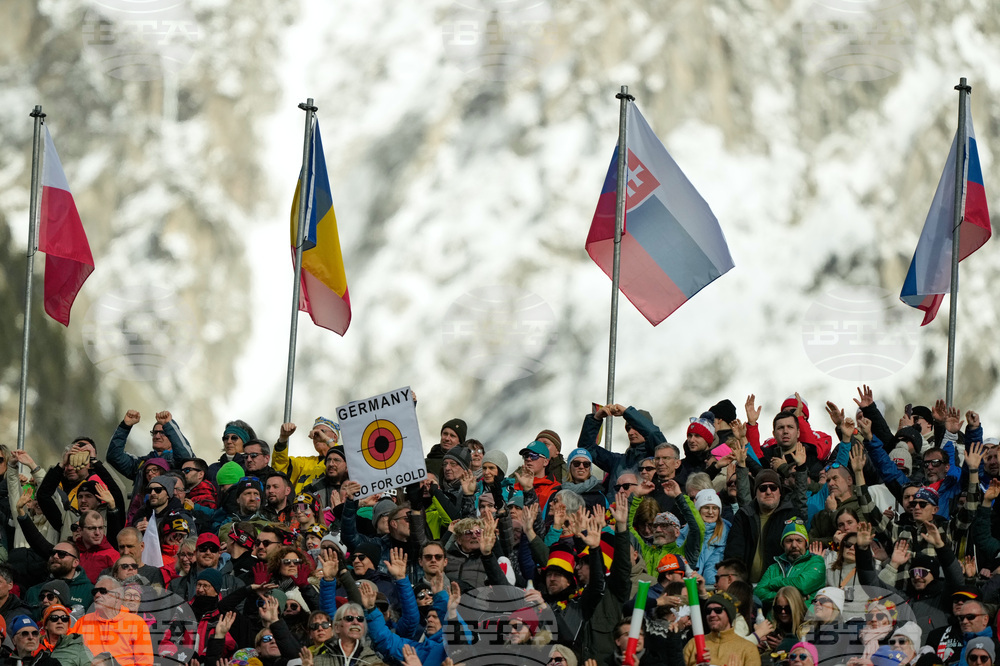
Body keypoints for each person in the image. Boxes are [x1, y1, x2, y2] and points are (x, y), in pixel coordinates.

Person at [69, 576, 153, 666]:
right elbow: (69, 654)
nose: (97, 595)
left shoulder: (136, 623)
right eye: (95, 592)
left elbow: (144, 663)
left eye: (103, 591)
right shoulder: (83, 622)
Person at [756, 518, 826, 604]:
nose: (794, 545)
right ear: (783, 545)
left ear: (806, 544)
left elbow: (802, 585)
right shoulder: (773, 568)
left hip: (804, 615)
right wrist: (785, 599)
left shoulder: (816, 562)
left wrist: (775, 582)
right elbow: (758, 593)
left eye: (799, 540)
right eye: (789, 541)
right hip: (775, 616)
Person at [683, 592, 761, 666]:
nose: (712, 614)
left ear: (729, 615)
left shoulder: (748, 649)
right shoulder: (693, 644)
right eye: (708, 611)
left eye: (718, 610)